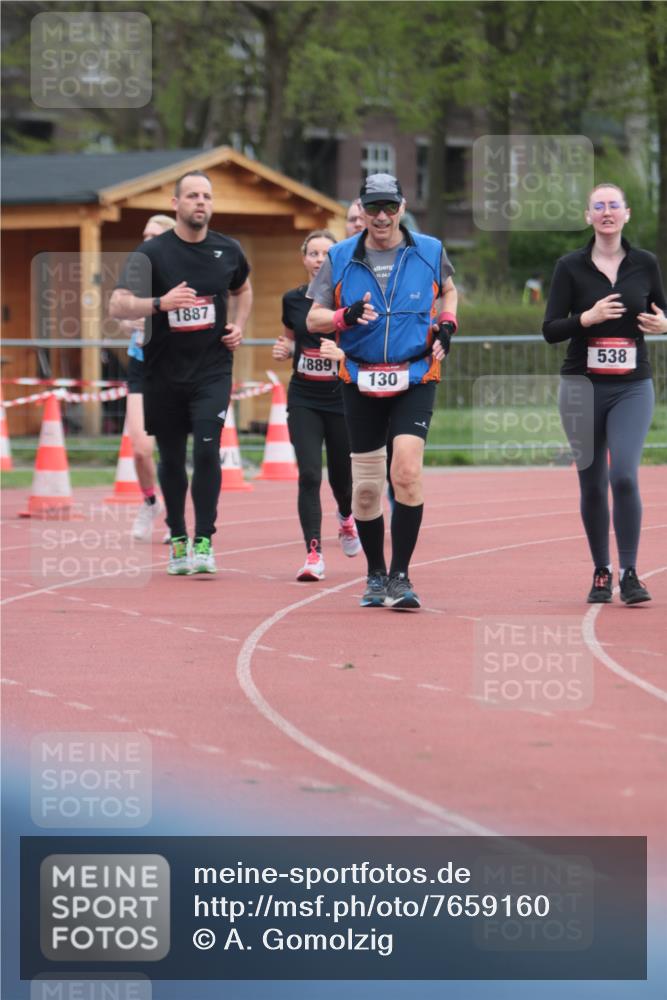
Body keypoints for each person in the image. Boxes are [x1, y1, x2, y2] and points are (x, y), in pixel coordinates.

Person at [307, 172, 457, 610]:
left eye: (389, 207)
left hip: (414, 374)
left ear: (403, 207)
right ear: (362, 210)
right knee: (367, 489)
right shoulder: (339, 257)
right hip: (361, 377)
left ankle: (401, 576)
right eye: (373, 207)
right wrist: (344, 316)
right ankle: (375, 573)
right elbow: (313, 319)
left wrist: (447, 324)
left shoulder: (429, 250)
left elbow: (449, 290)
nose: (381, 216)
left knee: (406, 471)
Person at [110, 170, 253, 575]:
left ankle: (204, 538)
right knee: (171, 457)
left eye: (206, 196)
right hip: (163, 372)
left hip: (212, 370)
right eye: (192, 196)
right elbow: (117, 305)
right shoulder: (152, 253)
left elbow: (243, 288)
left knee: (207, 449)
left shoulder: (228, 250)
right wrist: (160, 303)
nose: (200, 202)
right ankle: (177, 537)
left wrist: (238, 324)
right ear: (176, 204)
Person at [542, 182, 667, 604]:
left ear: (626, 214)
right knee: (593, 483)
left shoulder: (645, 264)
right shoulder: (570, 267)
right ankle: (602, 571)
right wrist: (587, 318)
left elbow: (662, 311)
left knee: (624, 476)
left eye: (614, 205)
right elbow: (550, 329)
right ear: (588, 216)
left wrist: (664, 325)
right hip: (581, 386)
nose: (607, 211)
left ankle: (631, 572)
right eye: (599, 205)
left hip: (632, 386)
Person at [272, 230, 361, 581]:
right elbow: (290, 340)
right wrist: (284, 350)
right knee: (309, 474)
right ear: (304, 258)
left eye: (326, 253)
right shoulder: (292, 299)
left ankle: (345, 517)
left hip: (340, 398)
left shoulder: (348, 299)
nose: (319, 259)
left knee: (342, 478)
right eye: (313, 253)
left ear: (335, 259)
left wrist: (341, 354)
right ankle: (313, 554)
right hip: (304, 396)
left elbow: (365, 346)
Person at [120, 214, 176, 543]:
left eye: (154, 234)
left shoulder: (180, 274)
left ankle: (177, 516)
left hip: (172, 368)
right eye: (144, 233)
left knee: (170, 451)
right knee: (141, 450)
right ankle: (150, 502)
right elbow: (122, 314)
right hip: (141, 365)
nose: (146, 239)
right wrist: (134, 321)